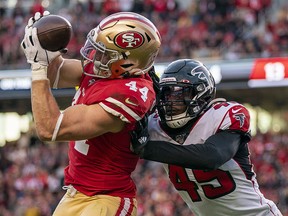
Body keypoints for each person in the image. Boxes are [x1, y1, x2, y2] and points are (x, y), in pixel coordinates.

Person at [21, 11, 161, 216]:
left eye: (105, 53)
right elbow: (56, 71)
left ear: (127, 63)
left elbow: (49, 128)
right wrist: (41, 45)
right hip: (75, 193)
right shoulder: (104, 73)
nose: (95, 56)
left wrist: (38, 69)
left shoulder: (130, 92)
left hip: (107, 198)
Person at [131, 59, 283, 216]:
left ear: (201, 93)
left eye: (179, 93)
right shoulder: (155, 125)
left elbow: (212, 157)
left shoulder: (221, 116)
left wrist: (146, 148)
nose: (170, 101)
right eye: (166, 94)